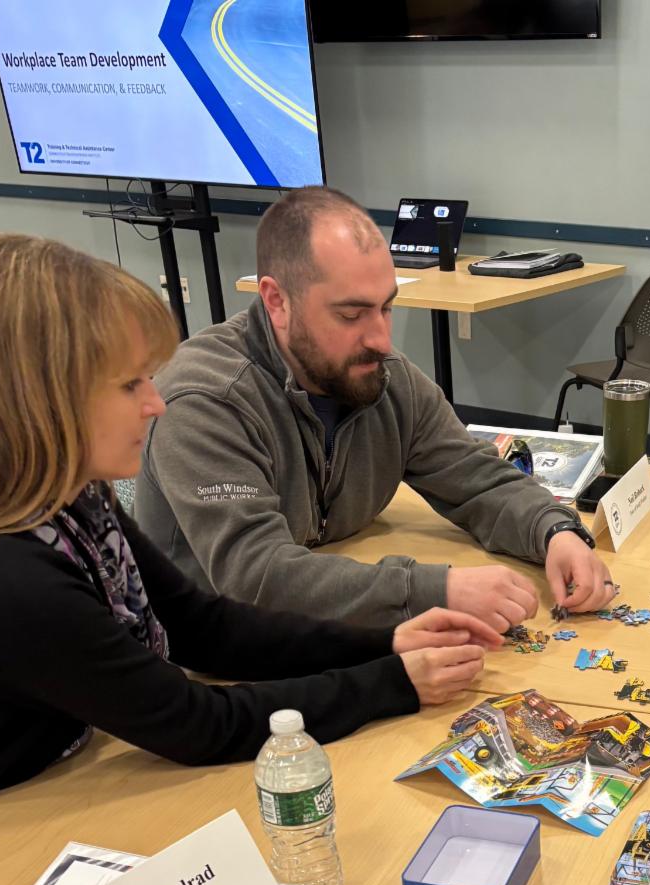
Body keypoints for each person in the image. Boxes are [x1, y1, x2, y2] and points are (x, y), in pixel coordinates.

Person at [0, 234, 503, 818]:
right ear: (37, 401)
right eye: (129, 384)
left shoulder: (73, 501)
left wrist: (383, 643)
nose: (155, 403)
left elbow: (201, 626)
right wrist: (393, 683)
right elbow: (195, 724)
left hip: (60, 778)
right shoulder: (0, 573)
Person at [134, 186, 614, 632]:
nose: (381, 340)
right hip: (214, 661)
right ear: (277, 301)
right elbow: (256, 577)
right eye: (351, 314)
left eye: (387, 307)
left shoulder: (379, 374)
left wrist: (554, 533)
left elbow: (475, 477)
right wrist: (435, 589)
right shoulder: (203, 399)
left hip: (329, 631)